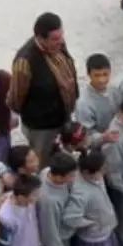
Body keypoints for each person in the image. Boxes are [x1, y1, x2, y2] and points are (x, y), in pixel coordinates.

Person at [9, 14, 78, 164]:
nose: (60, 41)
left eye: (61, 36)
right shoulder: (25, 62)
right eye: (55, 39)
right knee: (44, 164)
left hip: (63, 118)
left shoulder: (58, 44)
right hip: (41, 129)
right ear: (40, 38)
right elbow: (16, 98)